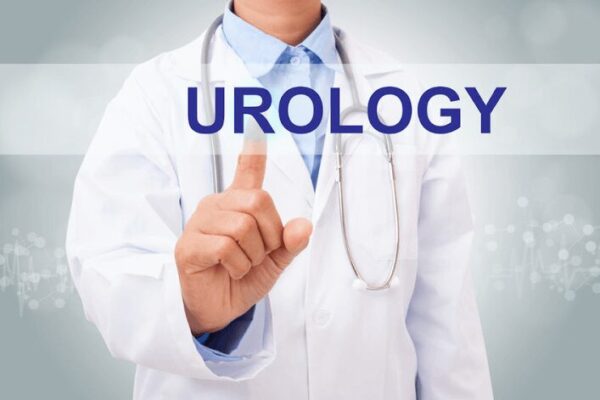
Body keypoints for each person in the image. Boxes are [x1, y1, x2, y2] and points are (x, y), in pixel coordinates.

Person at [66, 0, 494, 399]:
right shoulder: (153, 96)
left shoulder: (407, 95)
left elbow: (449, 331)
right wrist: (191, 307)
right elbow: (107, 278)